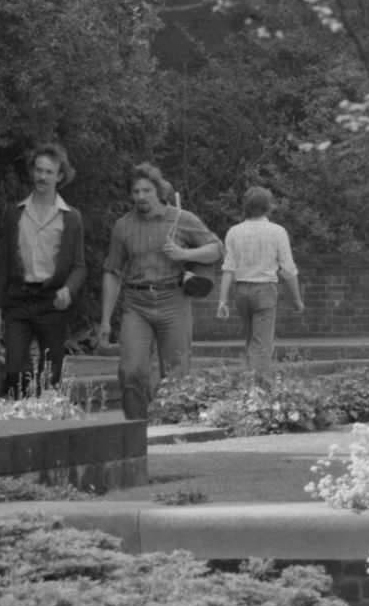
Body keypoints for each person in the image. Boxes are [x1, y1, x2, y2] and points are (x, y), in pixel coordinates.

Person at [102, 165, 224, 421]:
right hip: (136, 304)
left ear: (158, 191)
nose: (140, 196)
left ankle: (170, 427)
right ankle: (136, 427)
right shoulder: (123, 226)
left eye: (146, 190)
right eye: (135, 191)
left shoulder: (182, 219)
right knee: (131, 370)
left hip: (174, 301)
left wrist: (185, 254)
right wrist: (104, 319)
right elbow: (112, 271)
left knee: (176, 373)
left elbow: (216, 249)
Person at [0, 149, 87, 400]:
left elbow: (79, 266)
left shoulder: (71, 217)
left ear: (60, 176)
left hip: (51, 302)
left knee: (51, 376)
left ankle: (47, 425)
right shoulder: (15, 213)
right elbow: (4, 264)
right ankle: (17, 421)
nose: (42, 176)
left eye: (49, 172)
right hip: (19, 301)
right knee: (13, 372)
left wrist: (69, 288)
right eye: (38, 170)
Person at [219, 185, 304, 381]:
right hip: (265, 290)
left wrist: (222, 301)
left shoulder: (234, 232)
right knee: (262, 344)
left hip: (241, 291)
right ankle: (257, 391)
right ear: (268, 206)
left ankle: (249, 388)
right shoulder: (277, 232)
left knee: (252, 342)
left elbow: (228, 268)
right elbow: (288, 270)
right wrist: (297, 299)